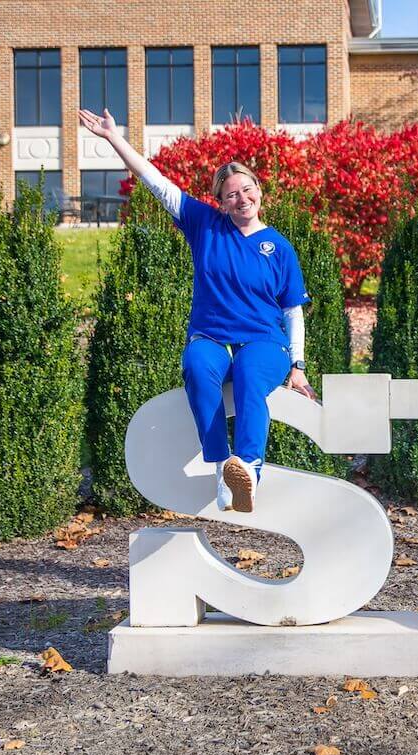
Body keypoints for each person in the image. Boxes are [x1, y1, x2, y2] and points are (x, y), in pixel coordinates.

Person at [78, 107, 315, 514]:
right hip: (211, 336)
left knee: (246, 375)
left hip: (264, 342)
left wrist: (298, 366)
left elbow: (292, 311)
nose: (242, 198)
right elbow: (155, 182)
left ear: (259, 189)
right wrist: (114, 139)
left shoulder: (279, 247)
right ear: (220, 203)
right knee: (197, 367)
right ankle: (225, 468)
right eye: (231, 194)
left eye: (247, 189)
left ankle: (250, 471)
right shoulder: (204, 224)